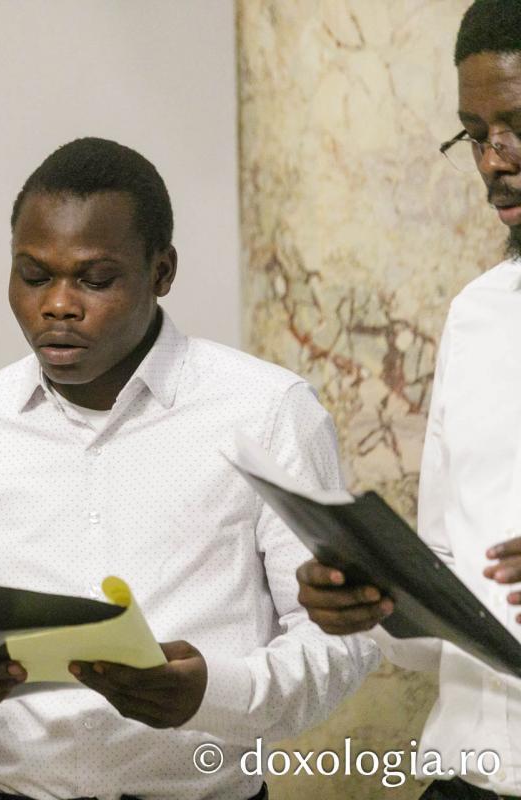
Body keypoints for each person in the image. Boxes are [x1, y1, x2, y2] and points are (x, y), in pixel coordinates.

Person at [0, 137, 378, 800]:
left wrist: (210, 694)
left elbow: (341, 642)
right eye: (33, 276)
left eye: (94, 280)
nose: (58, 304)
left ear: (162, 271)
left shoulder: (266, 412)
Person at [295, 2, 521, 798]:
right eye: (475, 135)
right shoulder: (478, 316)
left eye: (519, 127)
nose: (494, 161)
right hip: (465, 766)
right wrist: (375, 601)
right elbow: (449, 595)